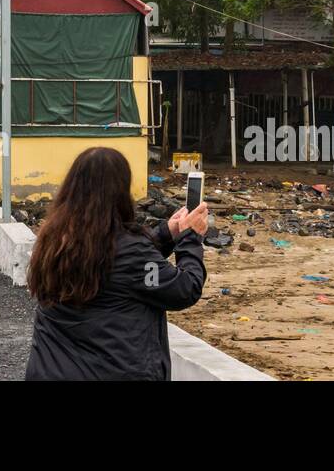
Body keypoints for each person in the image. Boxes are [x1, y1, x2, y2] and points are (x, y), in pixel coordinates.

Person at [24, 147, 207, 381]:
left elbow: (117, 269)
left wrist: (166, 234)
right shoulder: (130, 253)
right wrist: (190, 238)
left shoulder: (54, 239)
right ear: (120, 192)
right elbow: (184, 288)